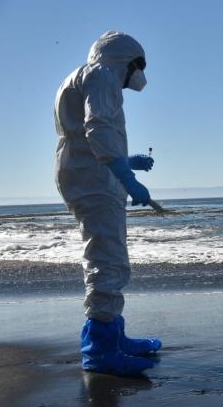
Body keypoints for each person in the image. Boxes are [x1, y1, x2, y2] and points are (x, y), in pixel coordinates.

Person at [54, 31, 161, 375]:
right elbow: (97, 129)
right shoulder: (102, 76)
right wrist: (129, 181)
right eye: (138, 65)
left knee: (108, 254)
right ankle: (100, 349)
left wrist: (125, 162)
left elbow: (86, 137)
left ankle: (113, 337)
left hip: (88, 173)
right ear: (125, 59)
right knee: (107, 259)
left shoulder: (85, 76)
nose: (140, 73)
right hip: (93, 180)